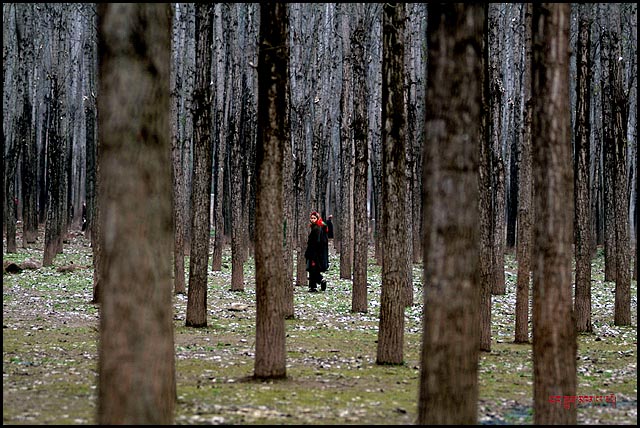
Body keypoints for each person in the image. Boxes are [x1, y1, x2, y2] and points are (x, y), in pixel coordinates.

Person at [304, 210, 328, 292]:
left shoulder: (317, 228)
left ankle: (320, 281)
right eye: (311, 218)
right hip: (314, 253)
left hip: (314, 254)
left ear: (317, 218)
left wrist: (311, 253)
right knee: (312, 270)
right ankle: (313, 286)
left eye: (314, 218)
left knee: (313, 270)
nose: (312, 219)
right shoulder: (315, 227)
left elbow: (316, 242)